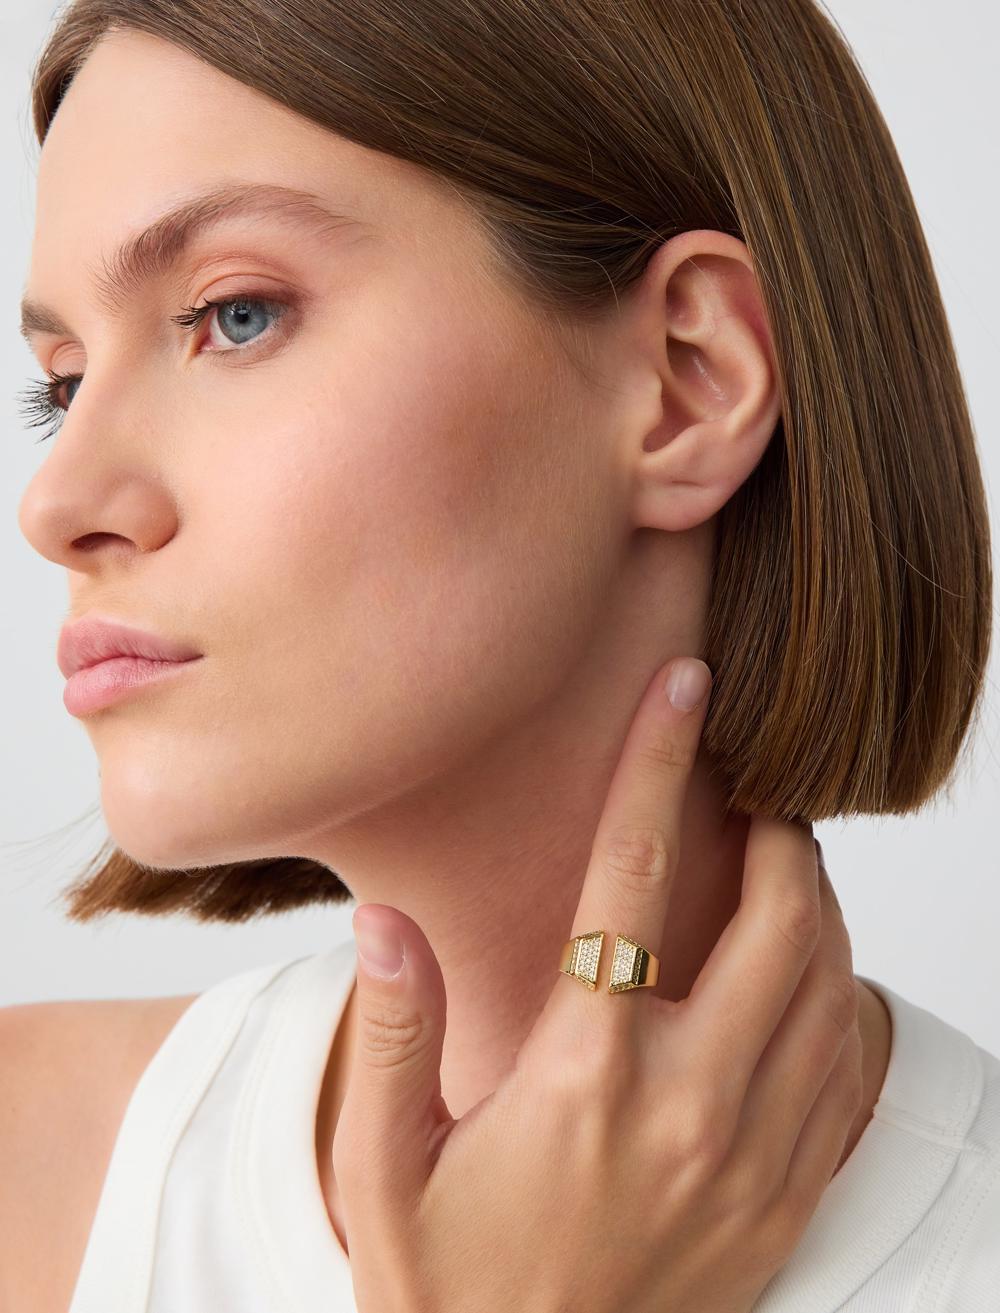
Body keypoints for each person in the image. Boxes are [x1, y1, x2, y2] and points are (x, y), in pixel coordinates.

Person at [3, 1, 996, 1309]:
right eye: (62, 385)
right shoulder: (35, 1172)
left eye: (233, 316)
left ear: (690, 377)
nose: (57, 503)